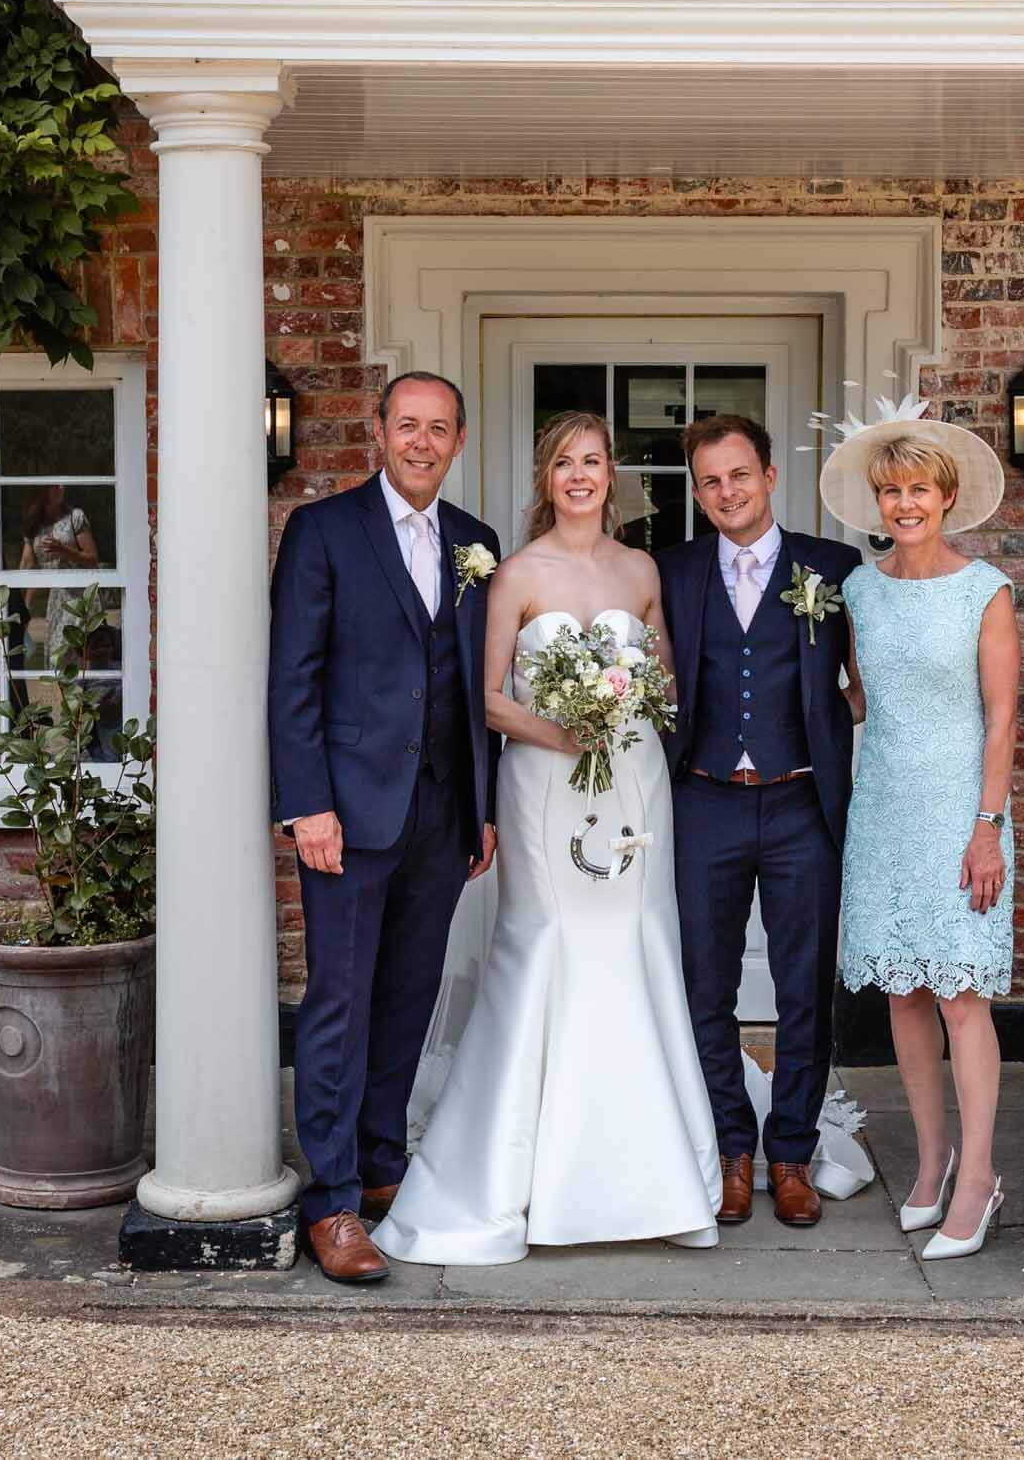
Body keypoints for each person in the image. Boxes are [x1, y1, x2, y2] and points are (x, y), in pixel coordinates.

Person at [372, 411, 721, 1267]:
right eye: (564, 462)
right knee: (549, 946)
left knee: (635, 946)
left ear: (612, 474)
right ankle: (519, 1174)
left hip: (632, 783)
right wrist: (560, 727)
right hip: (545, 784)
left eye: (593, 461)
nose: (579, 476)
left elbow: (666, 682)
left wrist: (627, 704)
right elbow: (482, 696)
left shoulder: (641, 569)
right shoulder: (517, 573)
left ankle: (655, 1177)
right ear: (547, 475)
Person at [267, 372, 501, 1285]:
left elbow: (475, 691)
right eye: (407, 424)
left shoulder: (474, 542)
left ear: (458, 440)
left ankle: (379, 1166)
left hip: (442, 818)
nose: (421, 441)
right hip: (347, 816)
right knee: (339, 1004)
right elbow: (294, 678)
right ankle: (329, 1201)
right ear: (377, 430)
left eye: (438, 428)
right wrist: (307, 802)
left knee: (407, 999)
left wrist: (481, 807)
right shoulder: (324, 532)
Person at [652, 414, 863, 1229]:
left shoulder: (833, 567)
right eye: (710, 480)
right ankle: (732, 1148)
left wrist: (833, 717)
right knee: (706, 984)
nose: (726, 492)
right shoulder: (671, 571)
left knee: (804, 985)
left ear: (770, 475)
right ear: (698, 492)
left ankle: (792, 1152)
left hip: (801, 803)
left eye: (739, 474)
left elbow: (871, 676)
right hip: (703, 799)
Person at [827, 404, 1019, 1263]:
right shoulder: (860, 590)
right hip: (884, 809)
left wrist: (987, 828)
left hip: (958, 812)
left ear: (945, 499)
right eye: (891, 491)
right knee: (903, 994)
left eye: (918, 490)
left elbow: (1003, 717)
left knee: (959, 992)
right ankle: (933, 1159)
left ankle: (978, 1176)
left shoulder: (985, 590)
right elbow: (863, 698)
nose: (904, 504)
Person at [16, 485, 97, 666]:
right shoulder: (35, 527)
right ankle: (67, 696)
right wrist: (23, 605)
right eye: (54, 485)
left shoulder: (75, 517)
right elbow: (28, 567)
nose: (61, 487)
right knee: (58, 660)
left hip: (81, 596)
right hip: (57, 601)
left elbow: (92, 560)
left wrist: (64, 550)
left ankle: (85, 692)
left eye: (62, 483)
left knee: (81, 655)